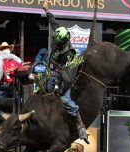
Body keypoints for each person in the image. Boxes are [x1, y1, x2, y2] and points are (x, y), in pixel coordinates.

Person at [42, 0, 89, 144]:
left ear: (63, 41)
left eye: (57, 42)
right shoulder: (59, 33)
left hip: (63, 77)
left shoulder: (69, 54)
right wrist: (47, 10)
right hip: (51, 71)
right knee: (42, 90)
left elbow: (67, 75)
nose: (54, 43)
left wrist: (59, 84)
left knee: (66, 100)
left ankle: (80, 125)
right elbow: (53, 22)